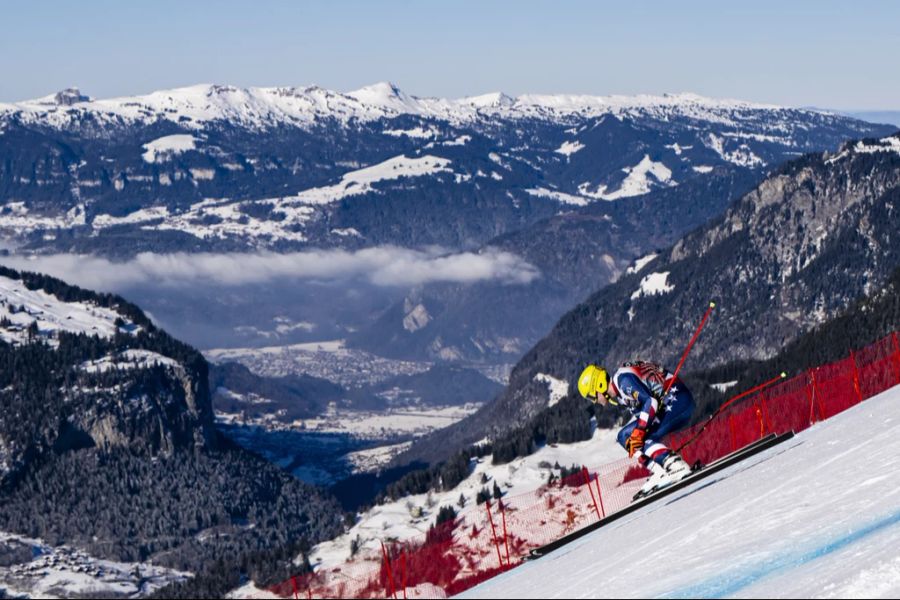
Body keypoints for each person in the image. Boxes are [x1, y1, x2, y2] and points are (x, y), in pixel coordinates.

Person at [577, 360, 695, 498]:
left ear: (599, 384)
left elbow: (651, 402)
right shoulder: (621, 391)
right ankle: (659, 470)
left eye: (592, 396)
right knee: (624, 436)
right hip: (670, 403)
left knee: (640, 436)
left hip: (678, 401)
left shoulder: (623, 381)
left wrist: (640, 431)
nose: (594, 401)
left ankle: (674, 464)